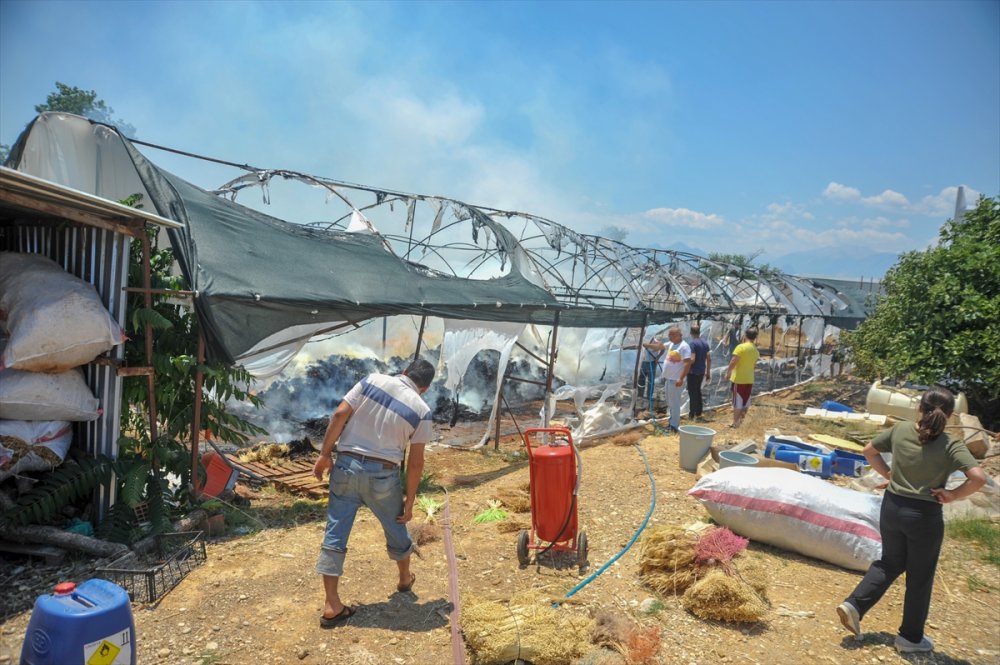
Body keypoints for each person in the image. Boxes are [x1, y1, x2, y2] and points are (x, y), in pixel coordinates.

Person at [837, 386, 985, 654]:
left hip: (892, 507)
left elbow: (869, 451)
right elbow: (978, 478)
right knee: (920, 576)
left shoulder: (901, 430)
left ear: (919, 408)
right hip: (923, 516)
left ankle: (855, 604)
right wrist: (953, 495)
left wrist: (890, 476)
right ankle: (910, 638)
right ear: (949, 415)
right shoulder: (951, 444)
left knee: (890, 562)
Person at [311, 358, 436, 628]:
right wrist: (410, 501)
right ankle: (404, 579)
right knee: (396, 525)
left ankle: (332, 604)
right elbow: (416, 462)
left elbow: (339, 414)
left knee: (335, 532)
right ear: (424, 388)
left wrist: (324, 454)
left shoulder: (371, 380)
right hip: (383, 475)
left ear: (404, 371)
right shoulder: (422, 410)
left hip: (345, 467)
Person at [645, 326, 692, 432]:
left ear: (679, 335)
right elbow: (659, 347)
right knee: (670, 402)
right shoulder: (671, 344)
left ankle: (674, 426)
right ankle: (672, 422)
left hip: (676, 380)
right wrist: (646, 345)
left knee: (674, 403)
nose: (670, 337)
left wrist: (681, 378)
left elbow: (687, 363)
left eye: (672, 335)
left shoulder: (684, 347)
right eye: (669, 335)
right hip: (669, 379)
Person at [724, 327, 759, 429]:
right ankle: (740, 422)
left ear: (745, 335)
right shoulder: (755, 350)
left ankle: (735, 423)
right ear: (755, 337)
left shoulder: (740, 347)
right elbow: (754, 365)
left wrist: (728, 373)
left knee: (737, 402)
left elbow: (733, 361)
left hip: (739, 379)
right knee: (745, 401)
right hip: (749, 378)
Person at [686, 323, 711, 421]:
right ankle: (699, 412)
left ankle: (691, 414)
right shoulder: (705, 343)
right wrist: (708, 372)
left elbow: (692, 359)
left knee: (692, 393)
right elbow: (709, 358)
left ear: (691, 333)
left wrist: (684, 364)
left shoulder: (692, 344)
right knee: (698, 391)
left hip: (693, 372)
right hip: (701, 372)